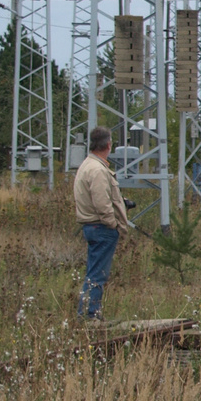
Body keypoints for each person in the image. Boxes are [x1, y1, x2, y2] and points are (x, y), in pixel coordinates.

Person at [73, 125, 133, 321]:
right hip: (101, 227)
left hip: (92, 226)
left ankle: (88, 313)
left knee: (94, 272)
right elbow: (101, 203)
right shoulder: (98, 170)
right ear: (108, 145)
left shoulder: (87, 165)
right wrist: (113, 224)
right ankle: (90, 315)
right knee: (98, 274)